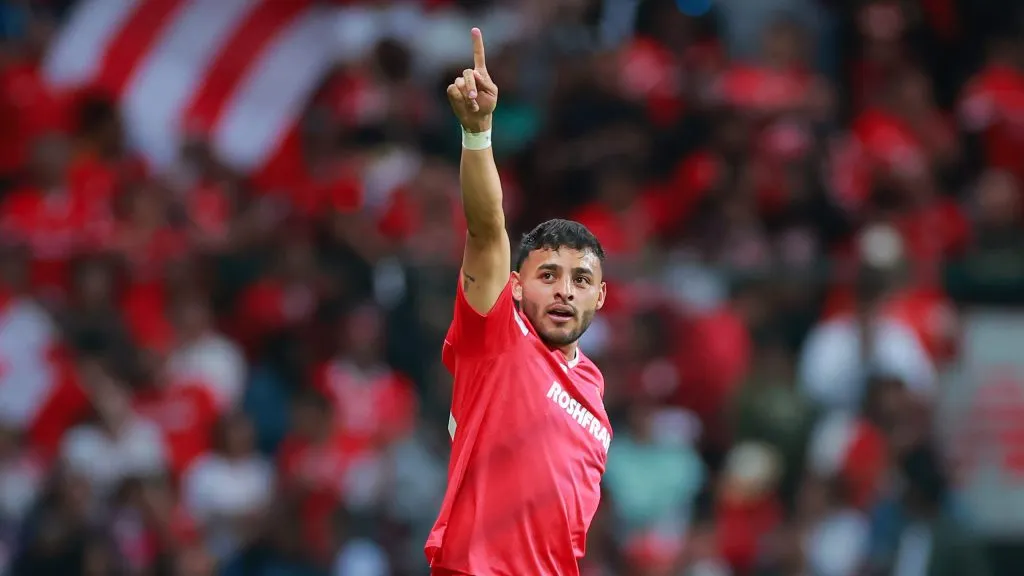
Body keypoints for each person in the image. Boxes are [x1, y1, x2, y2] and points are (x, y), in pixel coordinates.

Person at [425, 28, 612, 576]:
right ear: (515, 287)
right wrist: (478, 133)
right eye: (548, 274)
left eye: (581, 279)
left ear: (600, 296)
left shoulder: (595, 387)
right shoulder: (498, 339)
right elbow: (487, 232)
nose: (564, 289)